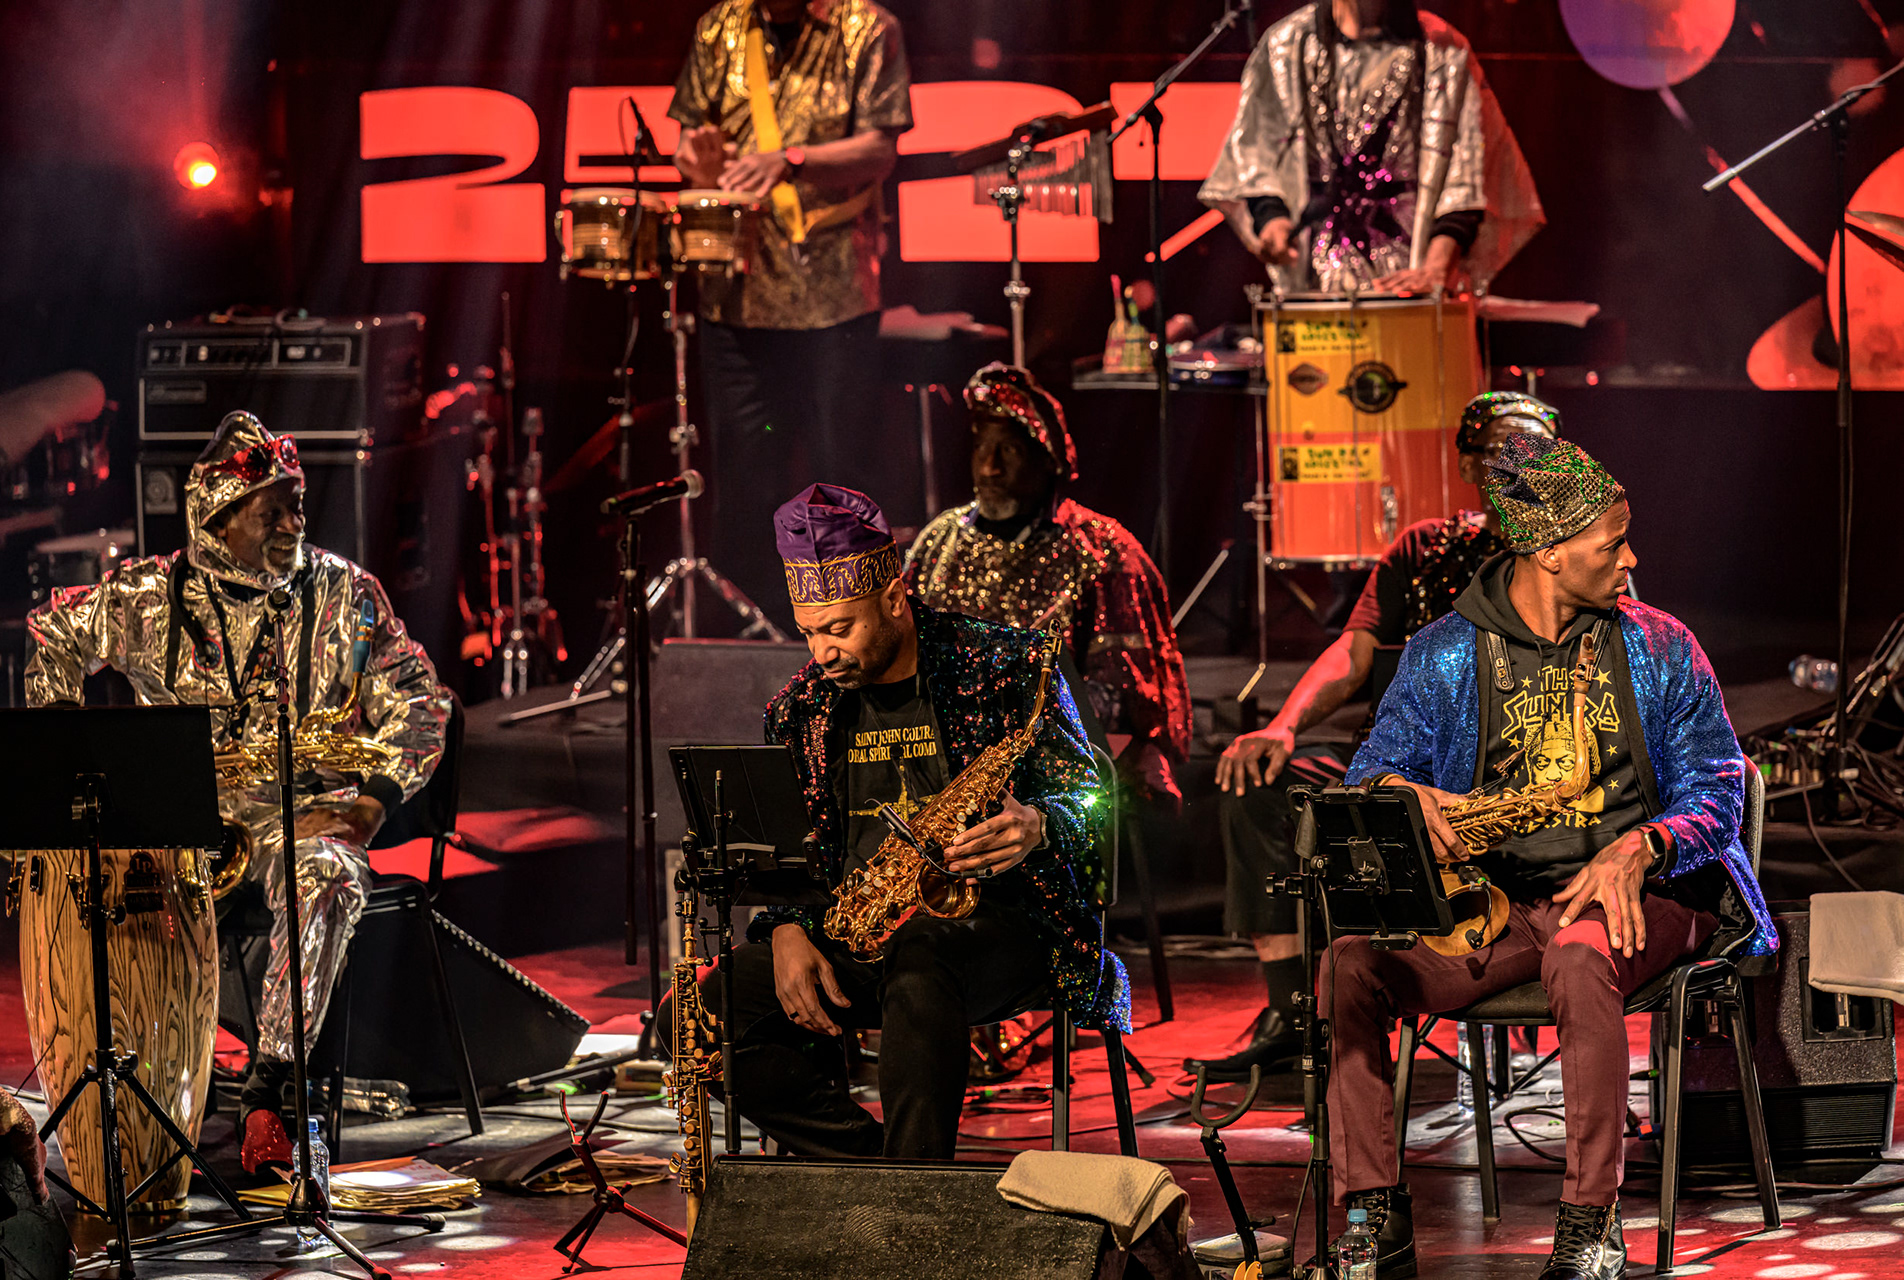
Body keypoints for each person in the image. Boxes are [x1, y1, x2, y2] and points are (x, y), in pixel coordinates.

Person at [1312, 434, 1775, 1280]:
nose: (1631, 559)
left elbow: (1718, 790)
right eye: (1613, 543)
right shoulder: (1444, 651)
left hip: (1647, 897)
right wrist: (1406, 796)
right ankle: (1374, 1215)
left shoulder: (1662, 645)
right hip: (1495, 908)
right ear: (1550, 551)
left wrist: (1645, 844)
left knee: (1579, 953)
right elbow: (1371, 769)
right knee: (1349, 964)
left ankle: (1591, 1222)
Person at [25, 411, 451, 1177]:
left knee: (328, 875)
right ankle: (138, 1100)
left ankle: (273, 1094)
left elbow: (422, 699)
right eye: (272, 510)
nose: (295, 522)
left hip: (301, 813)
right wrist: (70, 747)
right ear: (219, 520)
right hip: (180, 817)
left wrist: (373, 802)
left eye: (298, 504)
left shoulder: (345, 591)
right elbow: (54, 632)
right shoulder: (148, 593)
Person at [658, 483, 1127, 1160]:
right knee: (693, 1013)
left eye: (839, 628)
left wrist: (1040, 823)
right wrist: (786, 928)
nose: (822, 652)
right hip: (857, 932)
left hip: (1007, 929)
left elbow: (1093, 799)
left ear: (894, 599)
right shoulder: (799, 707)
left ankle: (910, 1191)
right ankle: (882, 1171)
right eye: (809, 631)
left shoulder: (1008, 664)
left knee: (922, 954)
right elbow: (791, 857)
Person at [1187, 391, 1559, 1082]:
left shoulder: (1569, 554)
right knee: (1259, 785)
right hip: (1392, 753)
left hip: (1505, 766)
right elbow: (1354, 655)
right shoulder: (1423, 547)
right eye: (1501, 452)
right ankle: (1290, 1011)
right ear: (1469, 465)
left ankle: (1457, 974)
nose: (1520, 465)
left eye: (1536, 451)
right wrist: (1282, 726)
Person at [669, 0, 914, 623]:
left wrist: (791, 159)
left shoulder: (868, 28)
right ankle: (752, 634)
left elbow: (881, 148)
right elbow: (687, 147)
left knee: (841, 476)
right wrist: (697, 166)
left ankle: (858, 629)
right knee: (744, 480)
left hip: (834, 299)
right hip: (736, 297)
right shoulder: (718, 27)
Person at [903, 363, 1190, 807]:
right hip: (941, 761)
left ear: (1047, 458)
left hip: (1066, 767)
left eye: (1009, 450)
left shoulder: (1103, 551)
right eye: (981, 447)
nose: (989, 467)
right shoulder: (939, 541)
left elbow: (1128, 700)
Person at [1198, 0, 1542, 293]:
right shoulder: (1287, 45)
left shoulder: (1442, 49)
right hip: (1314, 284)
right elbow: (1256, 151)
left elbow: (1468, 174)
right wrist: (1271, 219)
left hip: (1410, 283)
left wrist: (1437, 266)